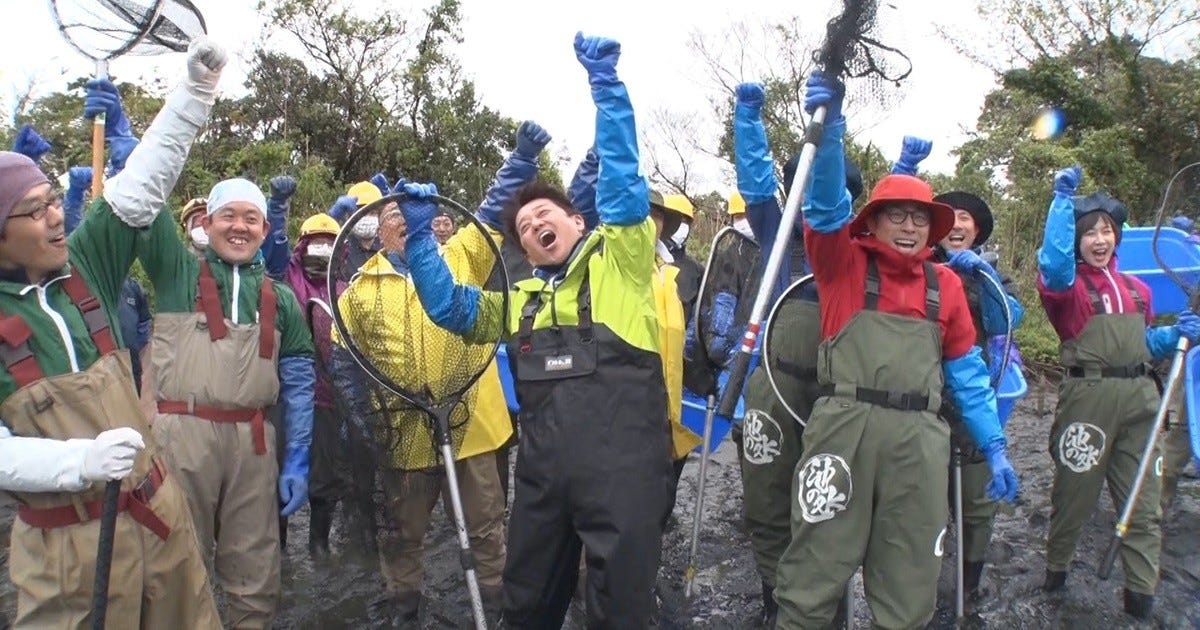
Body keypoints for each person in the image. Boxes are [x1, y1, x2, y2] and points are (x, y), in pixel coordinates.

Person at [398, 33, 671, 627]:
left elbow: (623, 186)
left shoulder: (621, 267)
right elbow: (448, 308)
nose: (533, 224)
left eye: (545, 213)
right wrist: (420, 241)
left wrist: (607, 89)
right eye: (523, 225)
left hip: (624, 479)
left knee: (620, 614)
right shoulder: (518, 302)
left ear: (579, 219)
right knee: (524, 608)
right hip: (544, 484)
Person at [773, 72, 1019, 629]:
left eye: (919, 218)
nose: (908, 227)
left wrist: (996, 445)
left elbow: (966, 373)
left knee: (910, 577)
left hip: (920, 442)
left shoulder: (948, 286)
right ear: (874, 223)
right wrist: (832, 130)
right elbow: (827, 206)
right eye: (896, 216)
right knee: (814, 567)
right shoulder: (843, 266)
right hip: (843, 428)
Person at [0, 36, 229, 629]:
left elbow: (139, 189)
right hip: (69, 553)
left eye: (53, 200)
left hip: (158, 515)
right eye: (34, 209)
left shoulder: (85, 266)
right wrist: (79, 461)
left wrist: (194, 94)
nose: (56, 216)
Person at [138, 173, 316, 628]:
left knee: (256, 567)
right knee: (172, 559)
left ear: (264, 230)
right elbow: (147, 198)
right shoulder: (177, 273)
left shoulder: (282, 299)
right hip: (181, 438)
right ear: (208, 222)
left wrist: (297, 455)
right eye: (229, 216)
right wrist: (125, 141)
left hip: (253, 444)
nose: (240, 227)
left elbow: (298, 382)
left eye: (251, 218)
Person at [1036, 165, 1200, 619]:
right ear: (1078, 240)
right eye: (1089, 232)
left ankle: (1140, 599)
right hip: (1088, 398)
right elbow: (1052, 264)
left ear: (1117, 237)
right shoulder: (1065, 290)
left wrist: (1176, 337)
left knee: (1144, 505)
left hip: (1141, 399)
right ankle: (1056, 573)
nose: (1099, 239)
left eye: (1107, 230)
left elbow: (1145, 345)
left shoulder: (1139, 290)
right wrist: (1061, 205)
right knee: (1074, 496)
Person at [329, 180, 384, 280]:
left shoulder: (386, 250)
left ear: (379, 216)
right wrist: (332, 220)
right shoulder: (341, 249)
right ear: (350, 216)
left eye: (372, 213)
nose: (367, 218)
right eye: (361, 213)